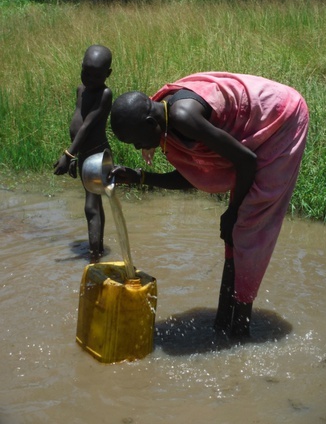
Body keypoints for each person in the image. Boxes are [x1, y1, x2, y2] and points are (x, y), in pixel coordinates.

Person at [109, 72, 309, 338]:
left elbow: (246, 162)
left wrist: (233, 211)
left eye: (136, 140)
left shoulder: (183, 117)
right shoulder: (165, 116)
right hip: (252, 134)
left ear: (149, 122)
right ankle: (223, 320)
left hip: (283, 118)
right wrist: (139, 177)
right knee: (233, 234)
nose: (137, 147)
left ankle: (240, 330)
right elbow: (195, 176)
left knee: (248, 226)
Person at [54, 45, 113, 262]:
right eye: (86, 73)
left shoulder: (105, 94)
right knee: (94, 203)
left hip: (97, 156)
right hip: (84, 155)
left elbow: (87, 126)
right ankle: (97, 248)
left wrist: (68, 154)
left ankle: (94, 256)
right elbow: (78, 118)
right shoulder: (82, 90)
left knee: (91, 206)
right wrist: (75, 156)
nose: (90, 79)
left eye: (97, 75)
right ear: (81, 68)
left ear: (108, 74)